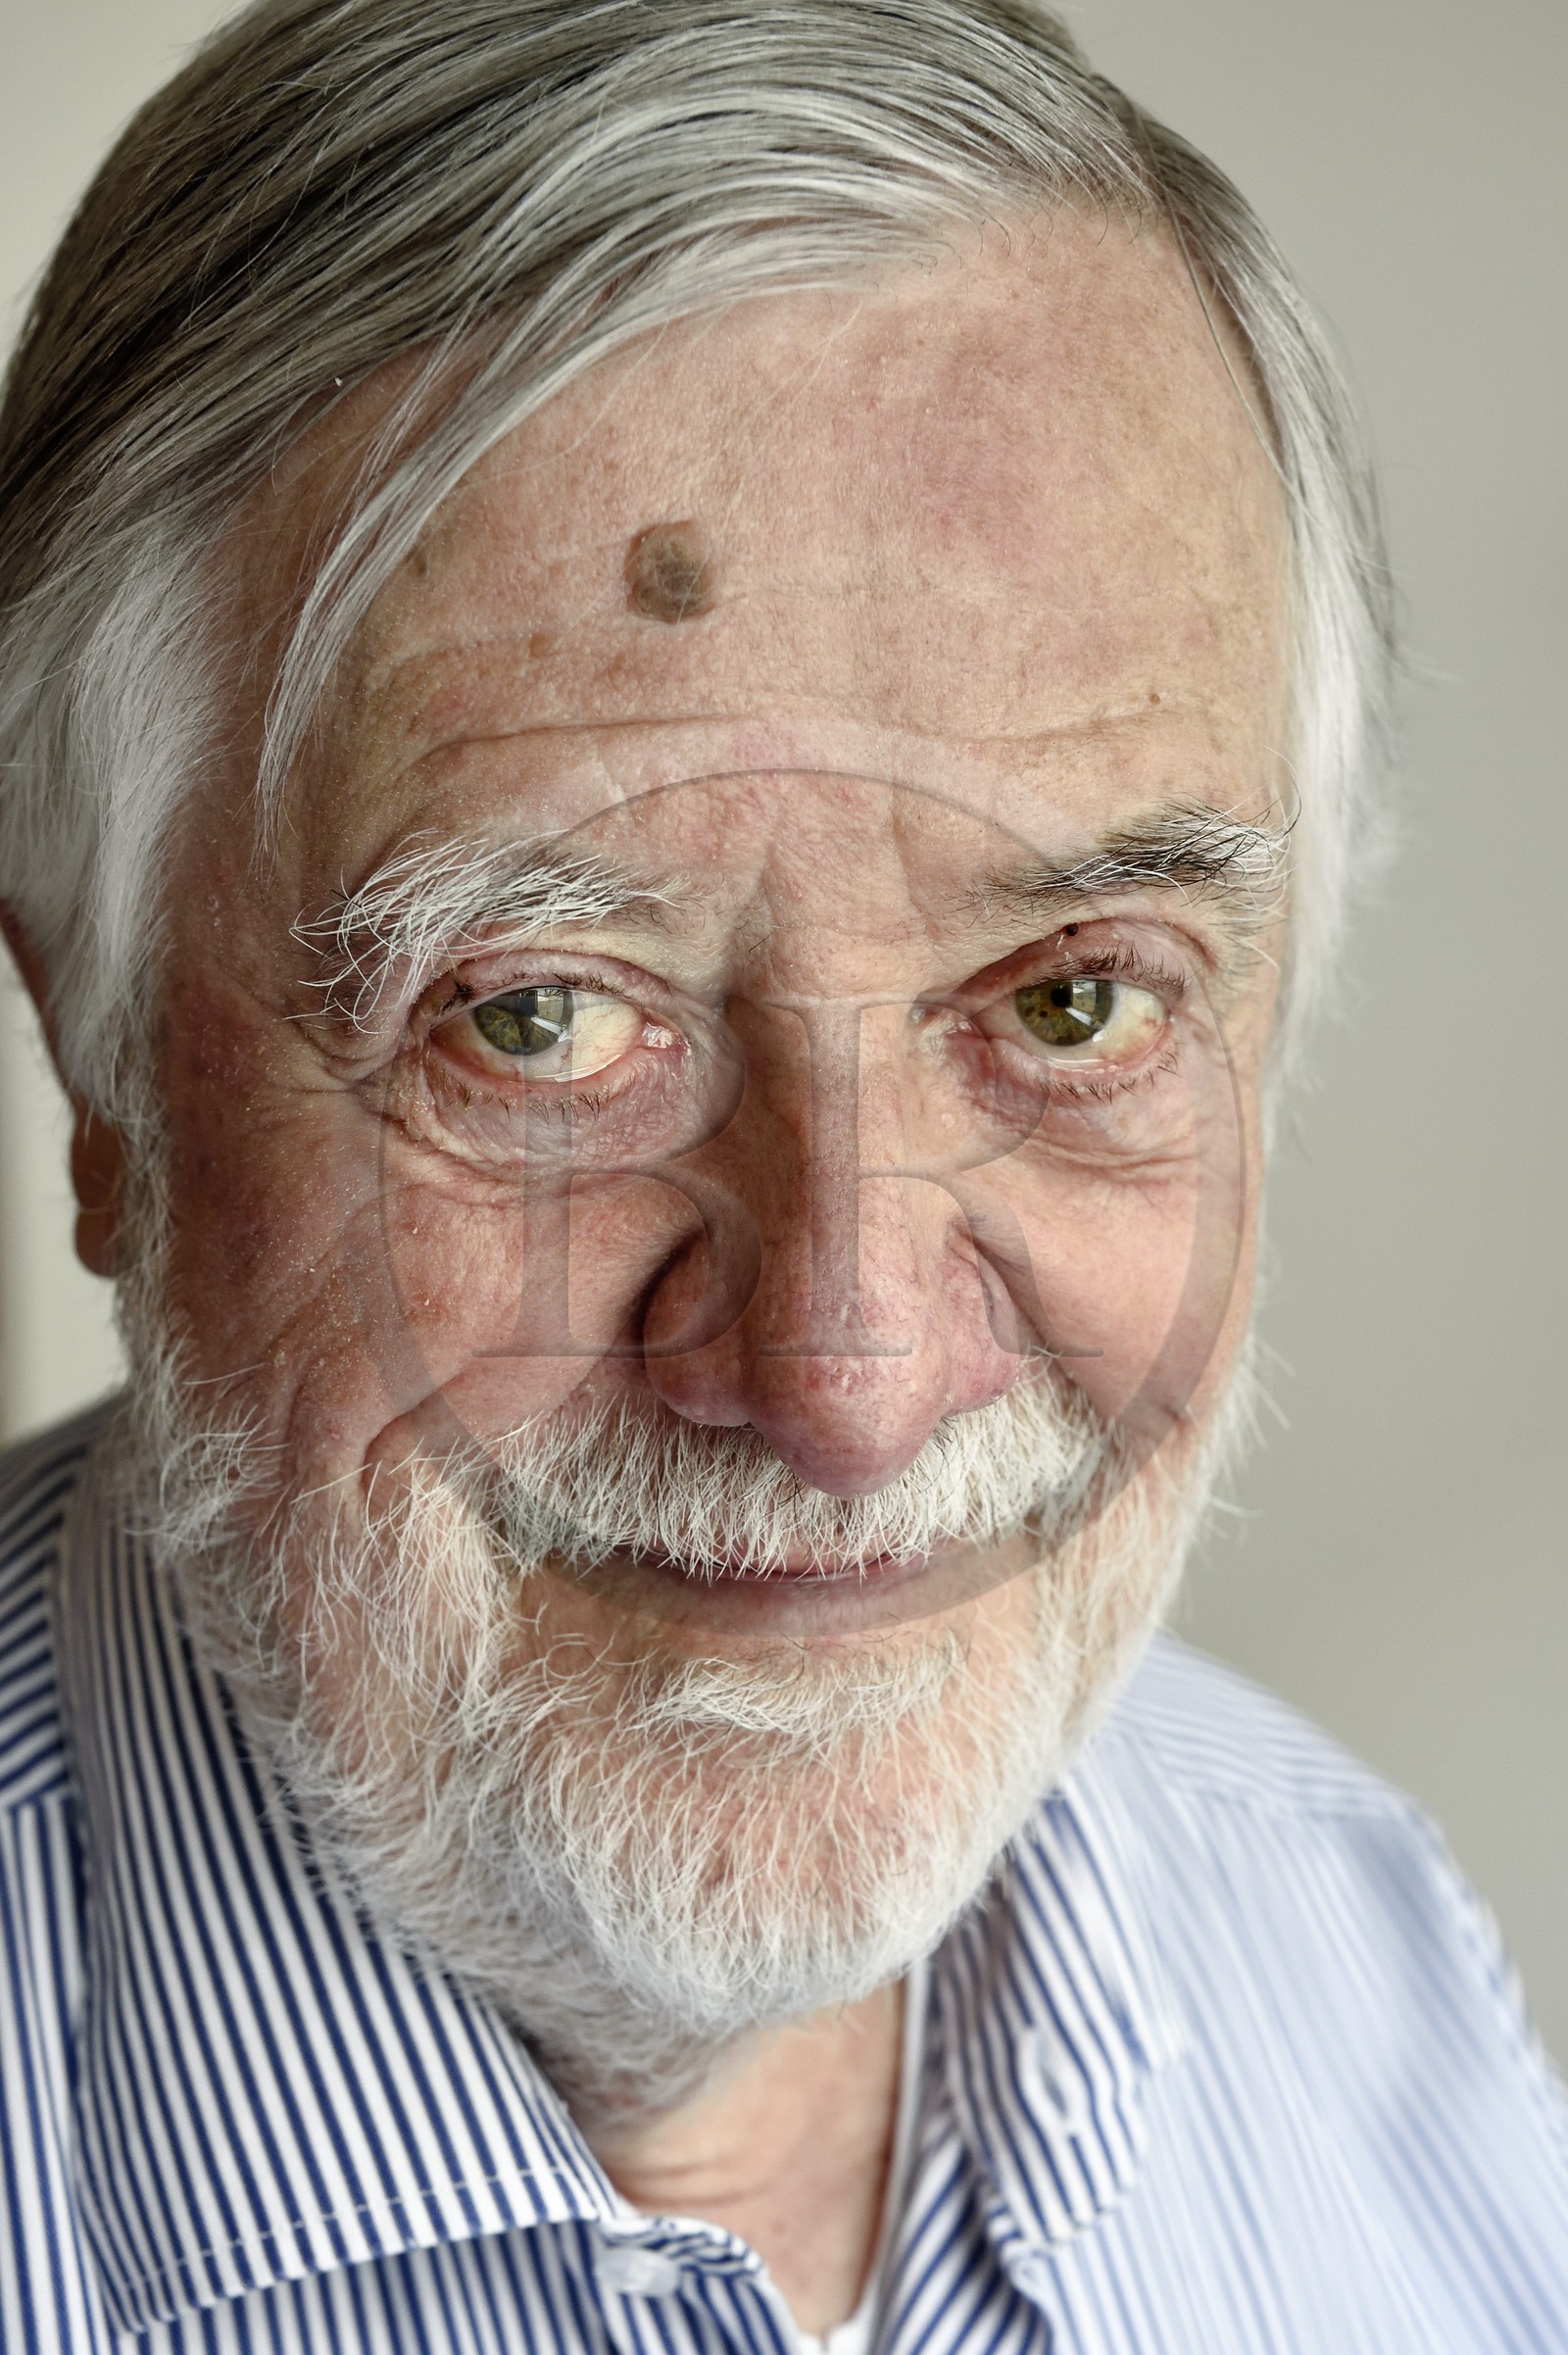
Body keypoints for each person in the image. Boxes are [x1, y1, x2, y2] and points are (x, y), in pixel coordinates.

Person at [0, 2, 1563, 2347]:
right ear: (95, 1052)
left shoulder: (1360, 1958)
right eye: (534, 1015)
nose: (844, 1372)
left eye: (1067, 999)